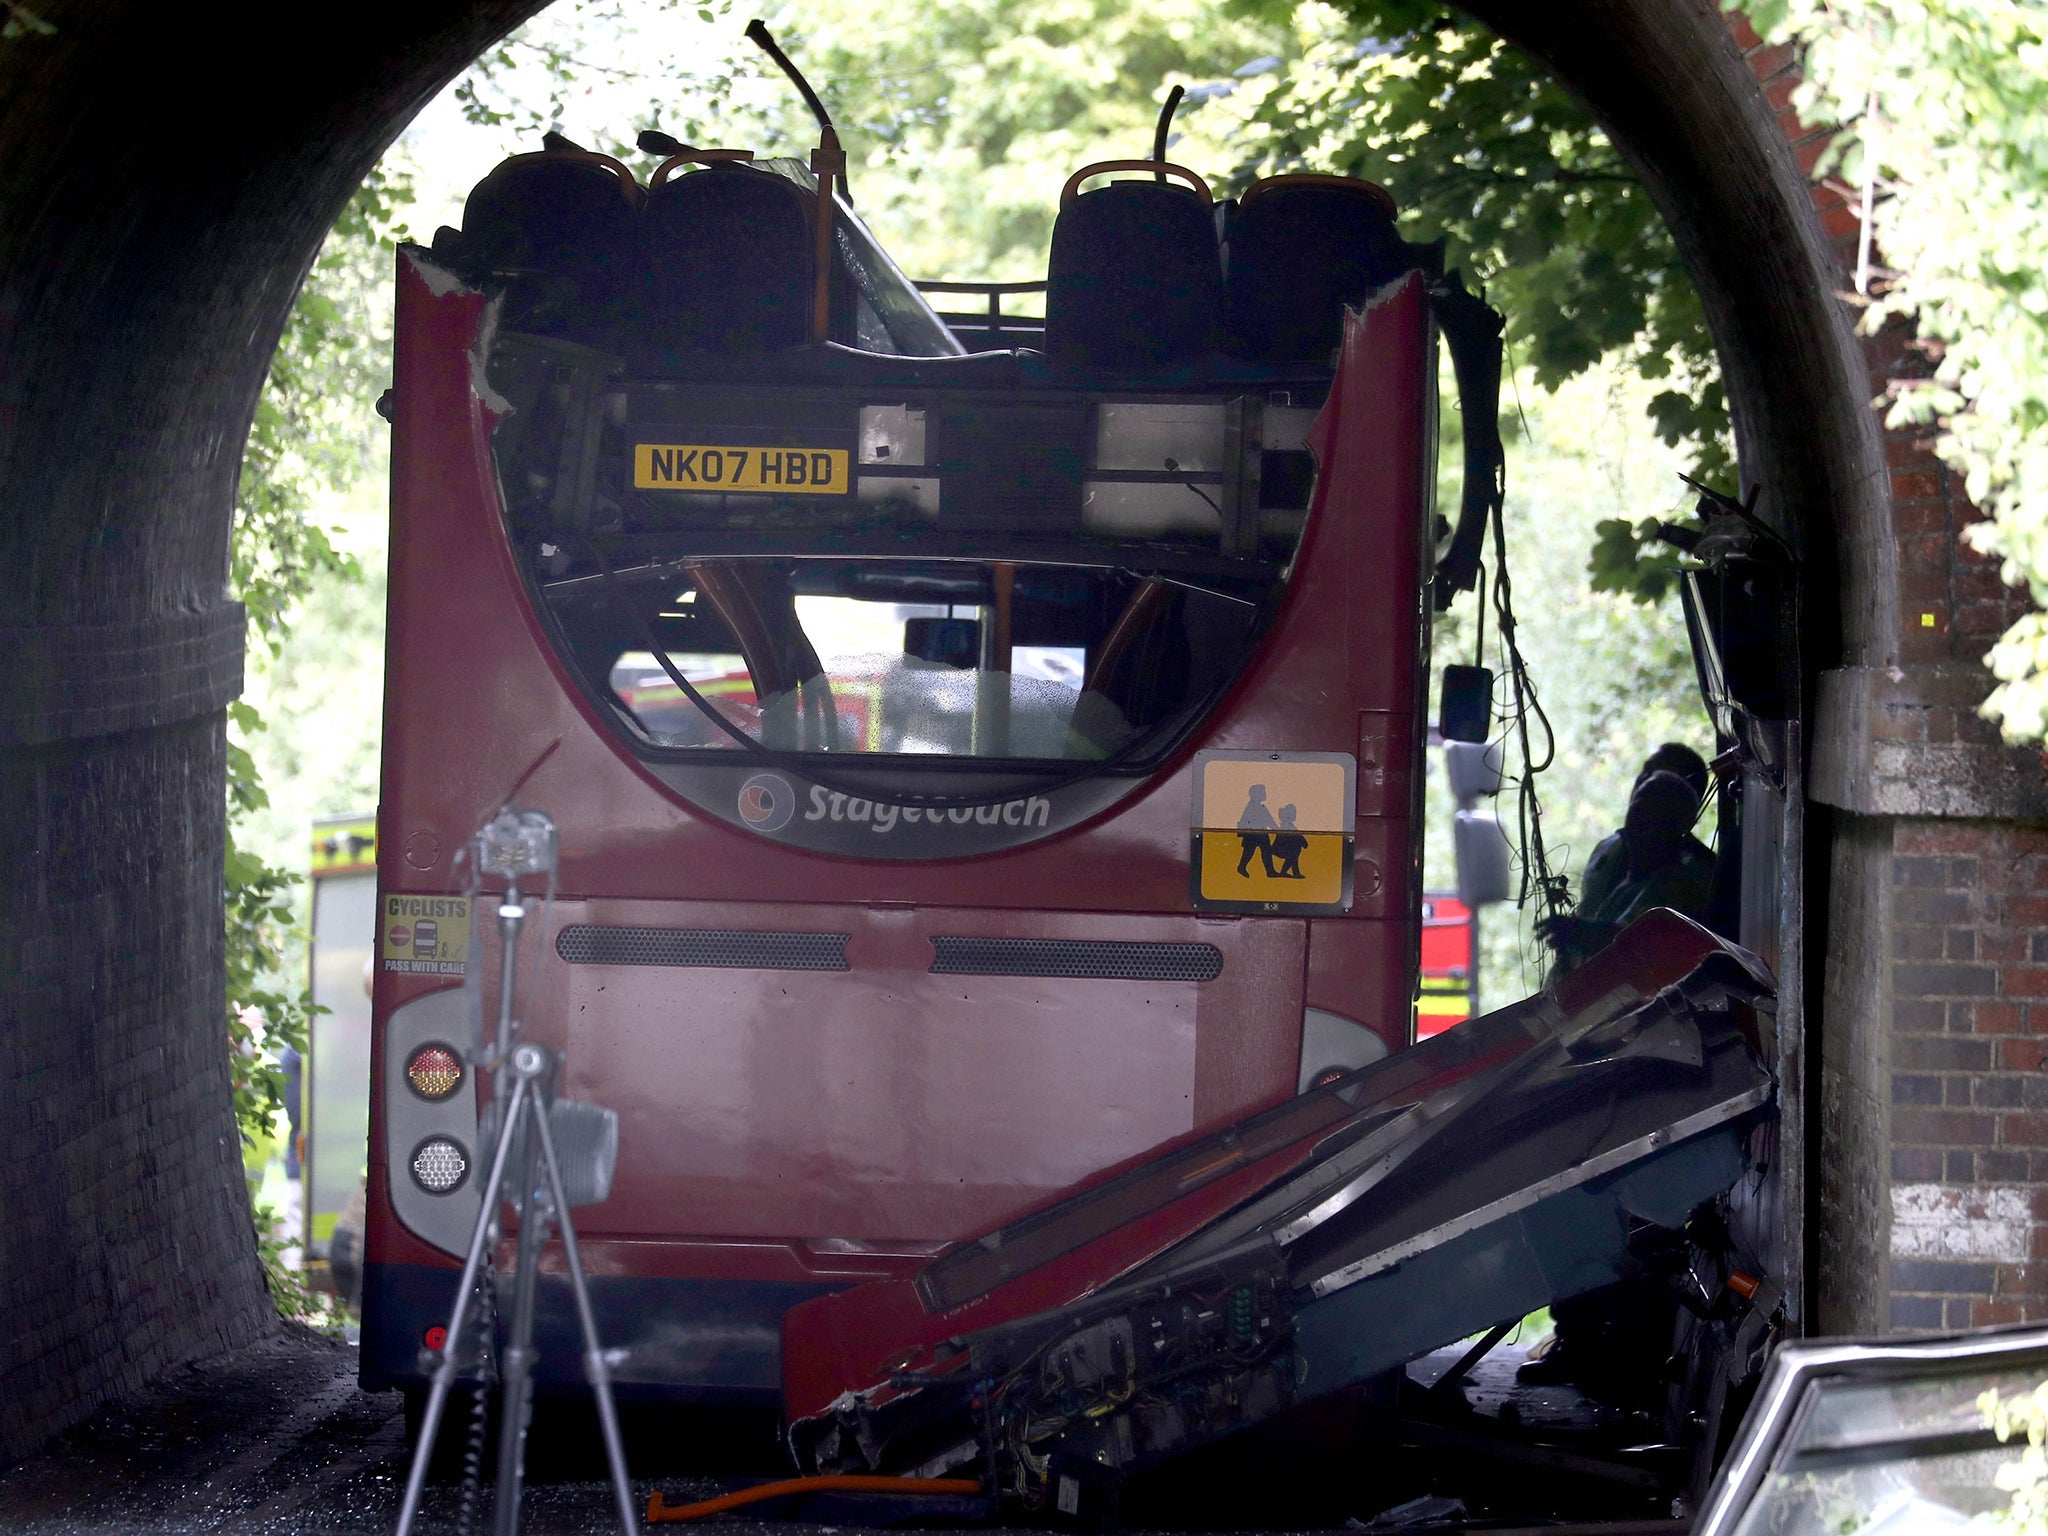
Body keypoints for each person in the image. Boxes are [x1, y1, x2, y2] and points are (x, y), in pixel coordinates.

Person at [1540, 769, 1714, 977]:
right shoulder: (1624, 881)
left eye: (1658, 813)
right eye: (1639, 806)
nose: (1641, 819)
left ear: (1680, 828)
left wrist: (1581, 933)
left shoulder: (1679, 888)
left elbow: (1641, 948)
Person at [1575, 742, 1710, 921]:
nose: (1641, 782)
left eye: (1656, 778)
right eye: (1645, 772)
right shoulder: (1609, 848)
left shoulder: (1697, 874)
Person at [1236, 784, 1278, 877]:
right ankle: (1242, 867)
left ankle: (1270, 871)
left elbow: (1269, 820)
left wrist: (1278, 830)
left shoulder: (1259, 806)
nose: (1265, 794)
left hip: (1260, 833)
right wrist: (1278, 829)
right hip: (1253, 834)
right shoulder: (1253, 806)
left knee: (1265, 851)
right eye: (1262, 792)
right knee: (1249, 852)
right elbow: (1268, 820)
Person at [1269, 805, 1308, 878]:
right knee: (1294, 852)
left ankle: (1293, 872)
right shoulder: (1286, 826)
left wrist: (1303, 842)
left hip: (1285, 848)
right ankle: (1288, 872)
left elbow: (1298, 836)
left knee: (1295, 851)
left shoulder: (1289, 825)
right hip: (1280, 849)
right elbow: (1297, 836)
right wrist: (1304, 843)